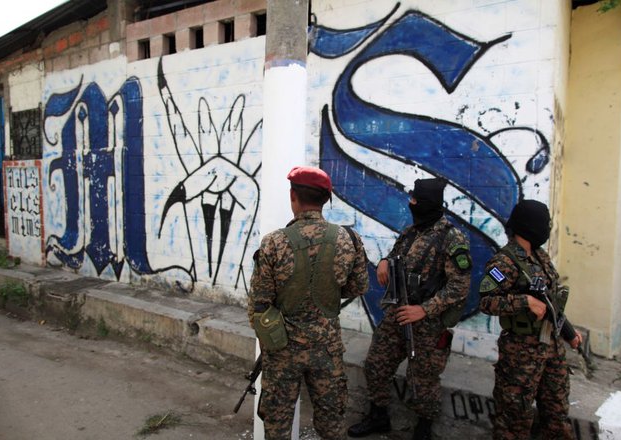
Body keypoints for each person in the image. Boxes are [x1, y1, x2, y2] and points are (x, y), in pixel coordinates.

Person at [248, 165, 369, 440]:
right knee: (331, 424)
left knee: (277, 426)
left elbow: (259, 304)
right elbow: (358, 286)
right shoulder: (349, 239)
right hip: (327, 348)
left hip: (282, 351)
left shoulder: (273, 243)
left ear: (293, 196)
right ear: (326, 199)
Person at [348, 178, 471, 440]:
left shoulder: (452, 238)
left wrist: (425, 310)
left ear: (427, 203)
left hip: (428, 323)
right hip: (398, 314)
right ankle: (378, 416)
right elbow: (396, 256)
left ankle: (423, 429)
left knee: (424, 380)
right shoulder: (410, 232)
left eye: (415, 200)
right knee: (375, 365)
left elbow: (459, 288)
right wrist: (384, 261)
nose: (411, 203)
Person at [478, 199, 582, 440]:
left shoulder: (540, 256)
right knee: (514, 420)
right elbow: (485, 301)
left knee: (556, 416)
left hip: (552, 349)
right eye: (544, 223)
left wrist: (569, 332)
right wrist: (524, 301)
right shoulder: (503, 262)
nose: (547, 228)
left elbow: (550, 302)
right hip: (521, 355)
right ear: (529, 226)